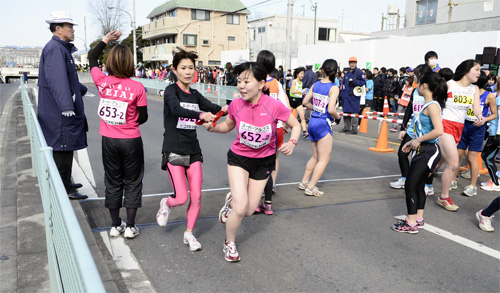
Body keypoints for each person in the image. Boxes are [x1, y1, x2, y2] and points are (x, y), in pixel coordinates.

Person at [208, 62, 300, 262]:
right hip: (239, 158)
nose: (241, 86)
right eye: (239, 81)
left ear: (260, 84)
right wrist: (214, 128)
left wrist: (292, 142)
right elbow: (227, 126)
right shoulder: (236, 104)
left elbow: (296, 124)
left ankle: (231, 201)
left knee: (249, 210)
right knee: (240, 208)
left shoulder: (273, 105)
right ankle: (229, 243)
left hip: (264, 161)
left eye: (246, 81)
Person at [156, 48, 226, 251]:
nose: (188, 72)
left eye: (191, 68)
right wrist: (200, 116)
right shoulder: (171, 91)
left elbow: (212, 107)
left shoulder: (195, 94)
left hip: (193, 151)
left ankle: (189, 234)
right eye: (183, 68)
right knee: (181, 197)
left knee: (196, 197)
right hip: (173, 150)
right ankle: (166, 204)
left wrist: (229, 107)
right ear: (174, 70)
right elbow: (177, 110)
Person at [89, 31, 148, 238]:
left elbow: (92, 58)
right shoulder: (137, 87)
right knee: (132, 181)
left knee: (113, 181)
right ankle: (131, 226)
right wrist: (128, 121)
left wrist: (105, 40)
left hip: (109, 139)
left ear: (111, 63)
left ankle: (115, 225)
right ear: (130, 63)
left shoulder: (102, 82)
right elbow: (143, 117)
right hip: (131, 140)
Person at [38, 11, 88, 200]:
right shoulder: (55, 48)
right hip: (58, 111)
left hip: (56, 108)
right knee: (62, 146)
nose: (73, 30)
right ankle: (64, 188)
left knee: (66, 147)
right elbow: (57, 80)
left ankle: (66, 181)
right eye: (70, 26)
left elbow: (67, 79)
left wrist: (80, 90)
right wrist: (67, 106)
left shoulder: (59, 48)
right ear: (58, 29)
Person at [391, 71, 446, 233]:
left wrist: (417, 141)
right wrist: (412, 141)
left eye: (419, 83)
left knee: (410, 185)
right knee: (419, 185)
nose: (416, 86)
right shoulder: (429, 105)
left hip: (428, 150)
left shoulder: (433, 106)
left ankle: (411, 223)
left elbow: (438, 131)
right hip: (423, 149)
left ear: (425, 86)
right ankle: (418, 219)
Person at [436, 60, 484, 212]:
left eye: (480, 70)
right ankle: (444, 197)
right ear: (466, 70)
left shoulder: (474, 89)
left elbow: (476, 108)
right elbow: (436, 104)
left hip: (460, 127)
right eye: (476, 69)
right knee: (454, 163)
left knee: (437, 162)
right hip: (445, 125)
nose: (479, 73)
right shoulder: (449, 85)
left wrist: (480, 116)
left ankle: (419, 181)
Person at [254, 50, 291, 215]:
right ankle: (271, 187)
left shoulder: (255, 81)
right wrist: (285, 123)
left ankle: (257, 193)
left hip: (258, 126)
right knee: (272, 160)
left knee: (254, 162)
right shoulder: (277, 83)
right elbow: (285, 106)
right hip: (276, 127)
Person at [390, 65, 435, 194]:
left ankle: (428, 185)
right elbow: (409, 109)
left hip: (426, 130)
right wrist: (403, 128)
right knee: (402, 153)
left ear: (421, 74)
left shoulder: (433, 91)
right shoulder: (415, 90)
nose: (412, 76)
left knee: (424, 159)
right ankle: (405, 179)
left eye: (415, 74)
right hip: (413, 128)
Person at [299, 59, 341, 196]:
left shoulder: (315, 84)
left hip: (313, 120)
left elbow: (305, 102)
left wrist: (316, 109)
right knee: (323, 159)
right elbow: (331, 109)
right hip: (323, 123)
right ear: (335, 72)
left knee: (315, 156)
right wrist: (338, 117)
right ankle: (311, 187)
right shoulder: (334, 87)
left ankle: (304, 181)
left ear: (322, 70)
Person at [453, 71, 497, 196]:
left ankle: (472, 186)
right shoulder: (468, 92)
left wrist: (484, 119)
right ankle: (453, 180)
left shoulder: (489, 96)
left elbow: (494, 114)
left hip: (478, 129)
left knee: (472, 158)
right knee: (458, 155)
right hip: (464, 125)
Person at [480, 82, 500, 191]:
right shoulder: (497, 98)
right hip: (493, 132)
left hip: (496, 135)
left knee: (488, 158)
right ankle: (495, 179)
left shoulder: (499, 99)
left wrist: (497, 136)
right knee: (484, 156)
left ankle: (496, 183)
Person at [340, 56, 366, 134]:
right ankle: (346, 128)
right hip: (346, 96)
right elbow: (344, 85)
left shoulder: (359, 72)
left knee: (354, 113)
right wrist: (342, 95)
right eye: (351, 63)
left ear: (356, 63)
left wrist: (354, 82)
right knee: (346, 113)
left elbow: (363, 82)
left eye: (354, 63)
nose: (352, 64)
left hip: (354, 96)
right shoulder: (347, 73)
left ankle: (354, 129)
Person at [289, 67, 308, 137]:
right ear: (297, 74)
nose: (302, 75)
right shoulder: (294, 81)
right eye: (301, 74)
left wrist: (304, 93)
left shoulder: (301, 82)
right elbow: (293, 91)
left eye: (303, 74)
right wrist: (301, 91)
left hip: (299, 101)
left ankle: (304, 132)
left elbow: (299, 92)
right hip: (292, 100)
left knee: (302, 117)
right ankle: (284, 128)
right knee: (287, 116)